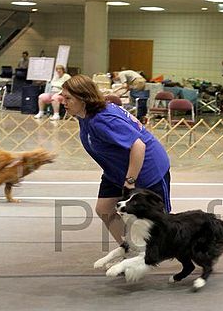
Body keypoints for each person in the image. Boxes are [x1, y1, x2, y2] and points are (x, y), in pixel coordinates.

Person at [61, 74, 171, 245]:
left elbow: (138, 146)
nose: (63, 101)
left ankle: (196, 247)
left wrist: (130, 180)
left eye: (68, 98)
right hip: (116, 171)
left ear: (83, 98)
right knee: (105, 209)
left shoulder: (102, 120)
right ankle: (131, 249)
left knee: (161, 224)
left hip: (147, 169)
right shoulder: (85, 115)